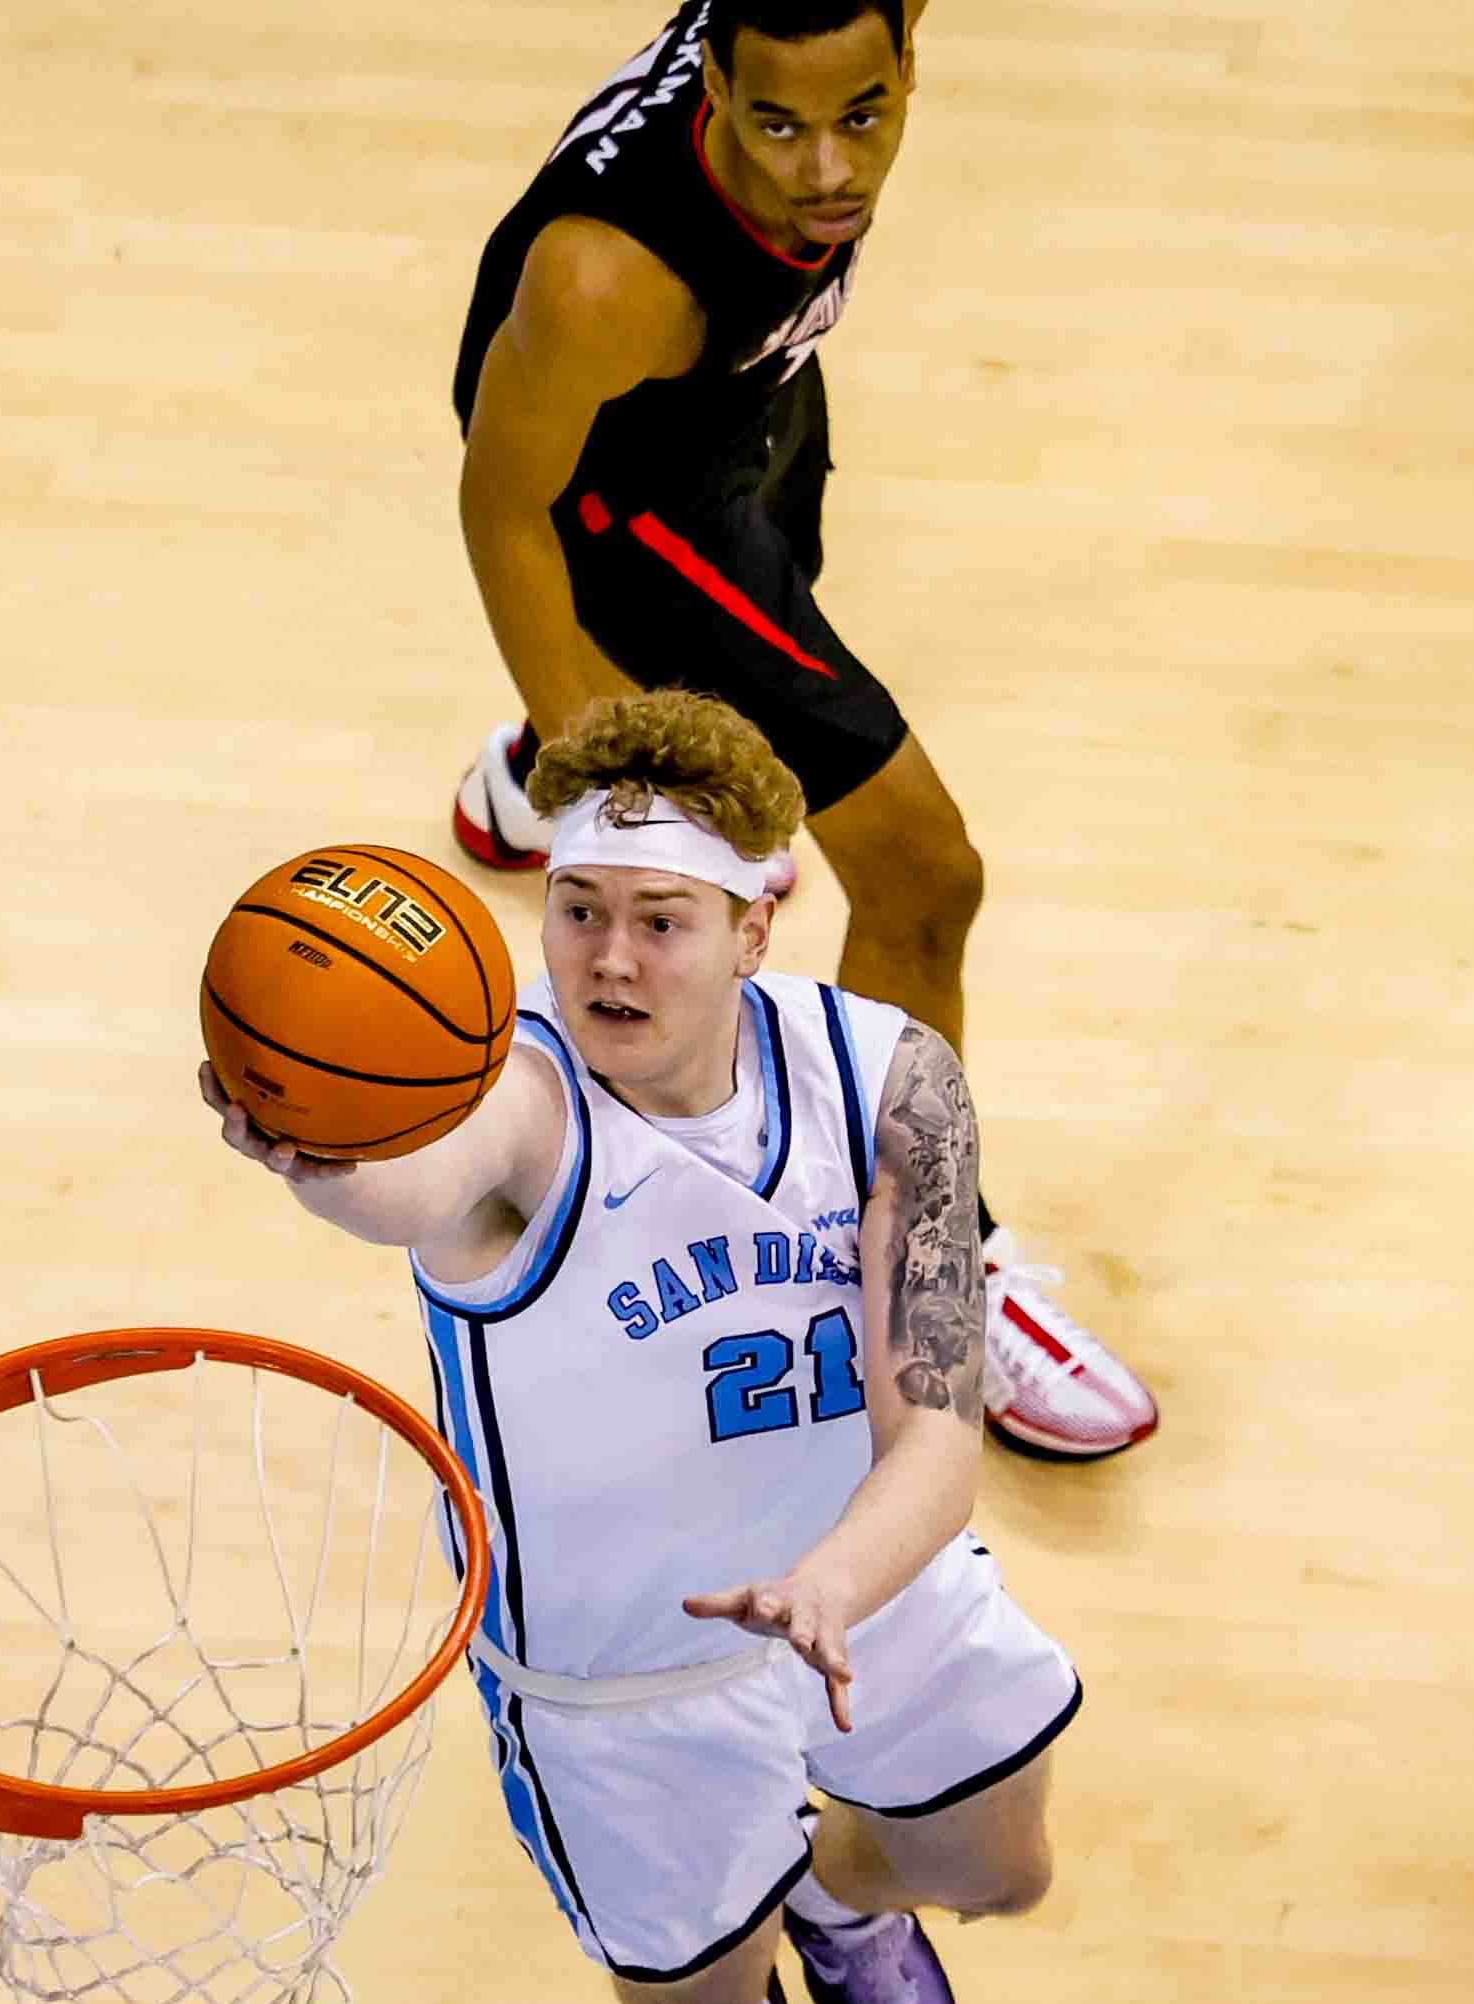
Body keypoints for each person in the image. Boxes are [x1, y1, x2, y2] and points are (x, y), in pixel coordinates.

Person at [202, 690, 1081, 2004]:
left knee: (998, 1871)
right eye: (578, 910)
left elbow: (936, 1440)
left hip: (866, 1586)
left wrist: (828, 1589)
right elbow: (413, 1183)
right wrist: (315, 1150)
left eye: (660, 921)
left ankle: (837, 1899)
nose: (608, 957)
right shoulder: (518, 1104)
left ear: (753, 929)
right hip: (619, 1684)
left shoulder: (893, 1084)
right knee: (696, 1987)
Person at [447, 0, 1156, 1462]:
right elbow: (504, 507)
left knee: (761, 640)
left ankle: (543, 746)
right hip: (624, 503)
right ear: (713, 76)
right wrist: (612, 784)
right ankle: (928, 1281)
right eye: (776, 124)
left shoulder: (814, 76)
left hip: (742, 400)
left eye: (864, 116)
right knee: (926, 877)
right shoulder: (607, 280)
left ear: (910, 59)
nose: (829, 171)